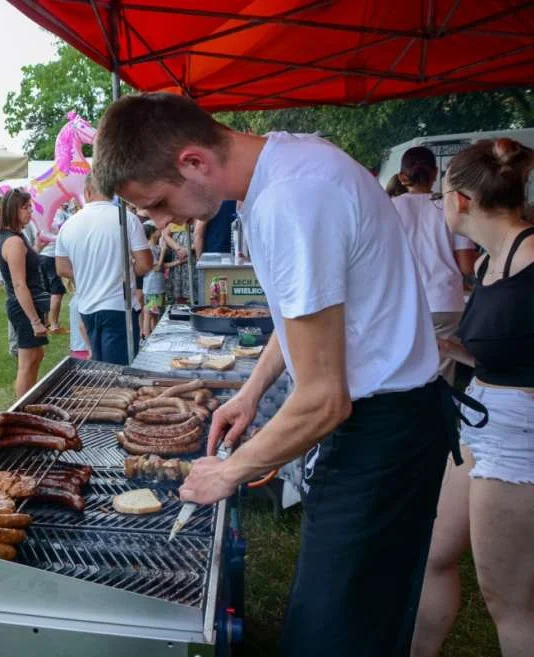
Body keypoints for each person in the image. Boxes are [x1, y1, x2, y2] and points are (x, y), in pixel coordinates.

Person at [95, 92, 451, 657]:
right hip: (386, 421)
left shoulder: (292, 199)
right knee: (352, 612)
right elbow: (303, 317)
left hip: (386, 430)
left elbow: (324, 400)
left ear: (193, 162)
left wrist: (229, 472)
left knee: (335, 632)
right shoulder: (284, 165)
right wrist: (252, 391)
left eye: (159, 202)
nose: (163, 223)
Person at [411, 138, 534, 657]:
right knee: (434, 553)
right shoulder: (489, 262)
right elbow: (505, 350)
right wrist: (441, 346)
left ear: (459, 199)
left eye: (442, 195)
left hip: (520, 436)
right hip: (482, 420)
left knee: (508, 599)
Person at [391, 146, 477, 383]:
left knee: (406, 369)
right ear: (436, 174)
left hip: (403, 302)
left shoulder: (389, 207)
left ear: (402, 176)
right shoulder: (450, 208)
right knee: (442, 375)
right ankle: (443, 417)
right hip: (445, 301)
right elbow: (467, 266)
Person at [55, 174, 152, 365]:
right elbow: (145, 264)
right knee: (119, 372)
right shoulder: (127, 219)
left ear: (87, 192)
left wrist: (88, 273)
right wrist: (125, 270)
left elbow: (62, 268)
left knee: (100, 368)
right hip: (119, 306)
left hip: (87, 306)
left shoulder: (68, 225)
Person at [0, 188, 49, 396]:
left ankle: (29, 402)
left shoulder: (16, 237)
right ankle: (20, 410)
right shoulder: (14, 241)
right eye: (26, 208)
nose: (30, 212)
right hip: (24, 307)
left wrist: (37, 246)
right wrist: (35, 321)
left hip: (27, 304)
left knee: (36, 356)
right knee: (27, 362)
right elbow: (19, 284)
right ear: (13, 210)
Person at [38, 204, 69, 333]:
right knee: (57, 291)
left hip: (42, 255)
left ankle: (45, 321)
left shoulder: (42, 218)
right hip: (51, 256)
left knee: (46, 290)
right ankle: (54, 324)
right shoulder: (57, 217)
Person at [141, 223, 167, 337]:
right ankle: (146, 337)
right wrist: (163, 252)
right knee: (149, 313)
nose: (159, 231)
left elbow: (163, 266)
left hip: (157, 285)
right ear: (152, 234)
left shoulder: (155, 247)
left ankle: (154, 335)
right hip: (152, 286)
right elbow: (157, 267)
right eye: (157, 229)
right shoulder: (150, 249)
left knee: (155, 313)